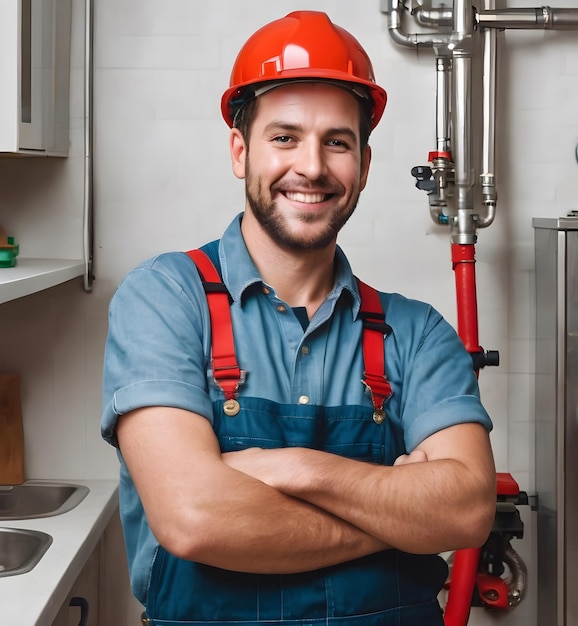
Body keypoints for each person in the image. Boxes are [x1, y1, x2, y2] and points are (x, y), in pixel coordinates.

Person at [101, 10, 496, 626]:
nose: (311, 167)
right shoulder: (165, 298)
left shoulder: (416, 333)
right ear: (241, 151)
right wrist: (396, 518)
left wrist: (289, 467)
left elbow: (468, 511)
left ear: (363, 165)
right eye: (284, 137)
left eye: (337, 141)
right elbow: (194, 518)